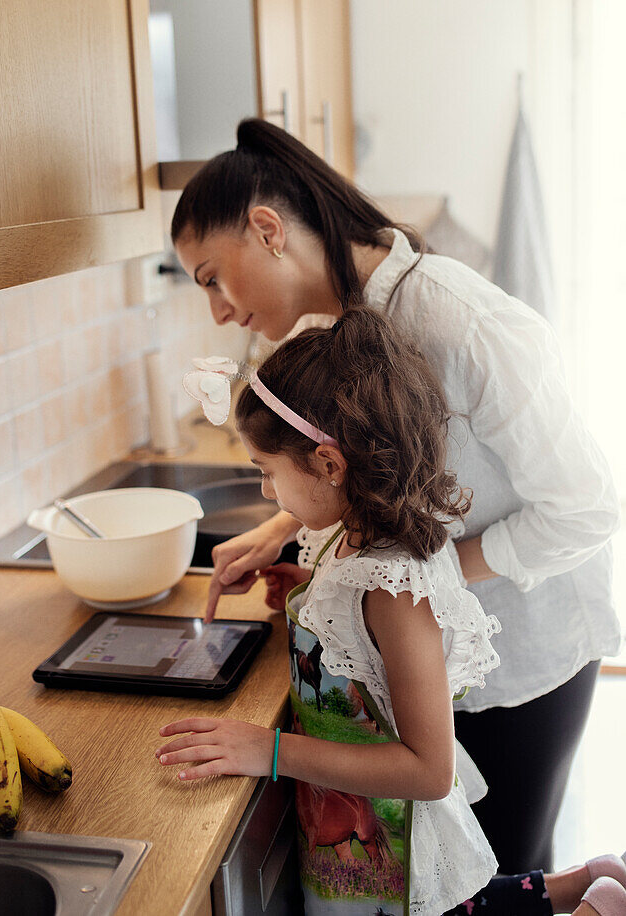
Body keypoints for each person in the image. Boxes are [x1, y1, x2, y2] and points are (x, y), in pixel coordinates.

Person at [170, 118, 621, 873]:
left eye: (211, 275)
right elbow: (395, 470)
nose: (216, 308)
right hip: (447, 653)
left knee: (504, 876)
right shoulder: (358, 321)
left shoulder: (454, 318)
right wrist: (286, 529)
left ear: (266, 228)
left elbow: (585, 507)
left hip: (522, 656)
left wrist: (404, 588)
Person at [158, 307, 626, 916]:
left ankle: (599, 907)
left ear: (329, 465)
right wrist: (305, 587)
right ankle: (580, 882)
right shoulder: (342, 534)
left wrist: (267, 751)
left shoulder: (396, 589)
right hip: (360, 830)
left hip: (394, 853)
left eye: (268, 472)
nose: (267, 493)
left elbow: (429, 770)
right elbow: (359, 634)